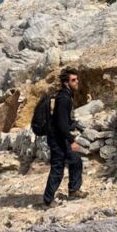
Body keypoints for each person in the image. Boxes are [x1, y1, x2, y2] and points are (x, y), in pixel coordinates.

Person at [42, 67, 87, 207]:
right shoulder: (63, 99)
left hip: (59, 136)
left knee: (75, 161)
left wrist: (75, 124)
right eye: (73, 80)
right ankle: (48, 200)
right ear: (66, 83)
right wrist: (71, 140)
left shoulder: (66, 95)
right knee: (58, 168)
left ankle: (73, 190)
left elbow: (62, 119)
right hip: (57, 138)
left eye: (77, 79)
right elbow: (61, 124)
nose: (76, 82)